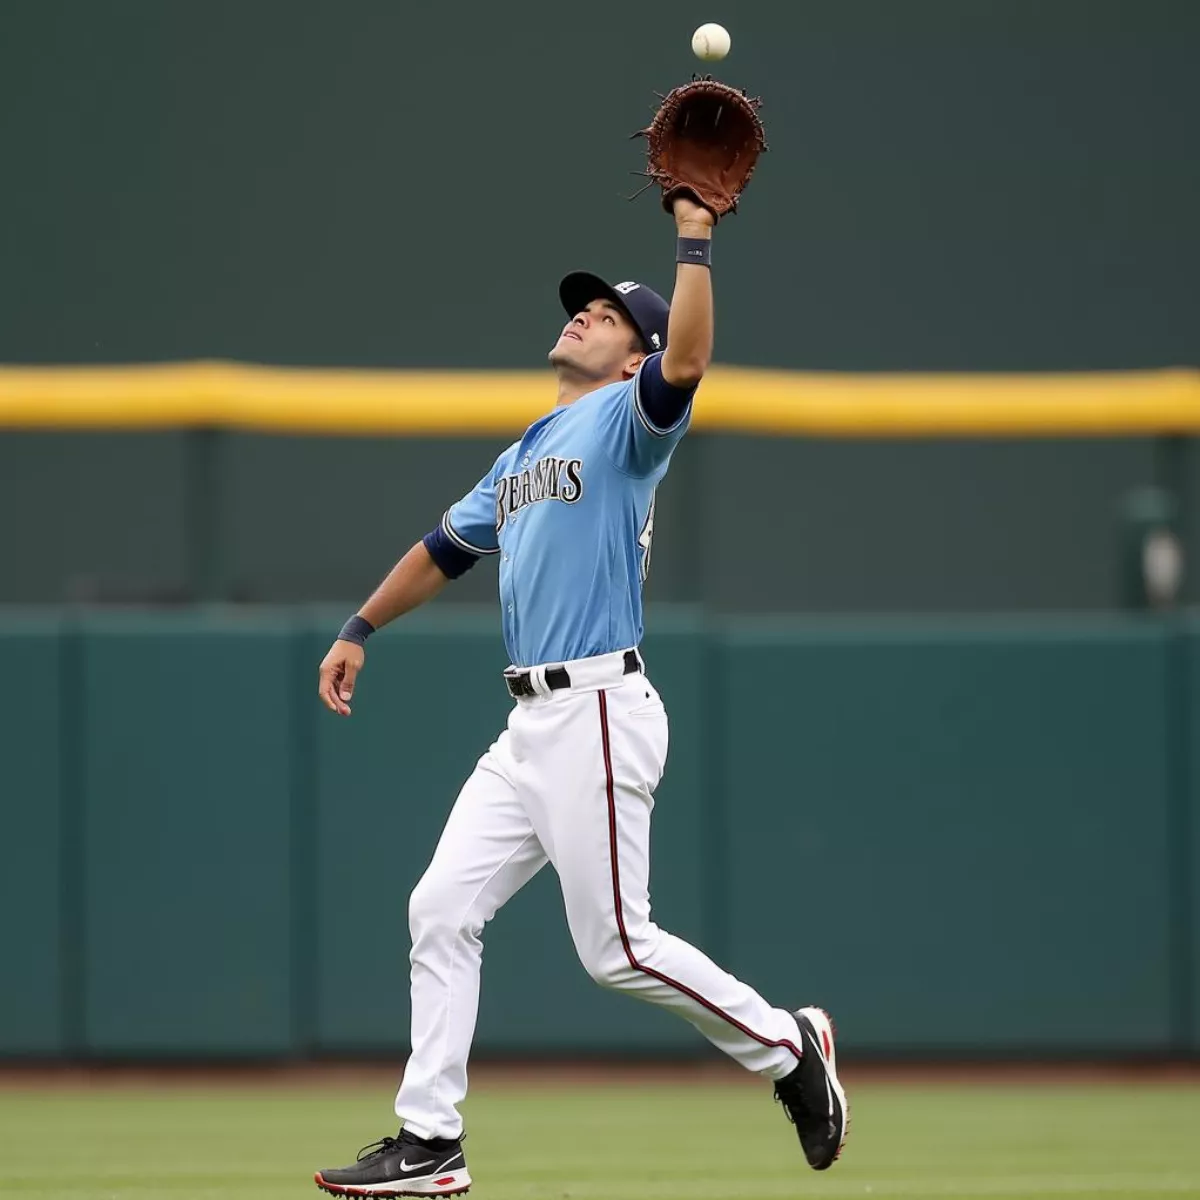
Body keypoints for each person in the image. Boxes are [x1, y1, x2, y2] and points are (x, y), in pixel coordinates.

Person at [312, 195, 848, 1198]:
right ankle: (430, 1144)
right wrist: (361, 627)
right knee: (440, 909)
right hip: (530, 727)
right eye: (581, 307)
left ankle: (789, 1045)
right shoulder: (522, 453)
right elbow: (442, 552)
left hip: (600, 707)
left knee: (615, 949)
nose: (581, 316)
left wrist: (695, 239)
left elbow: (687, 359)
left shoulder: (629, 420)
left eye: (604, 313)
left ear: (630, 351)